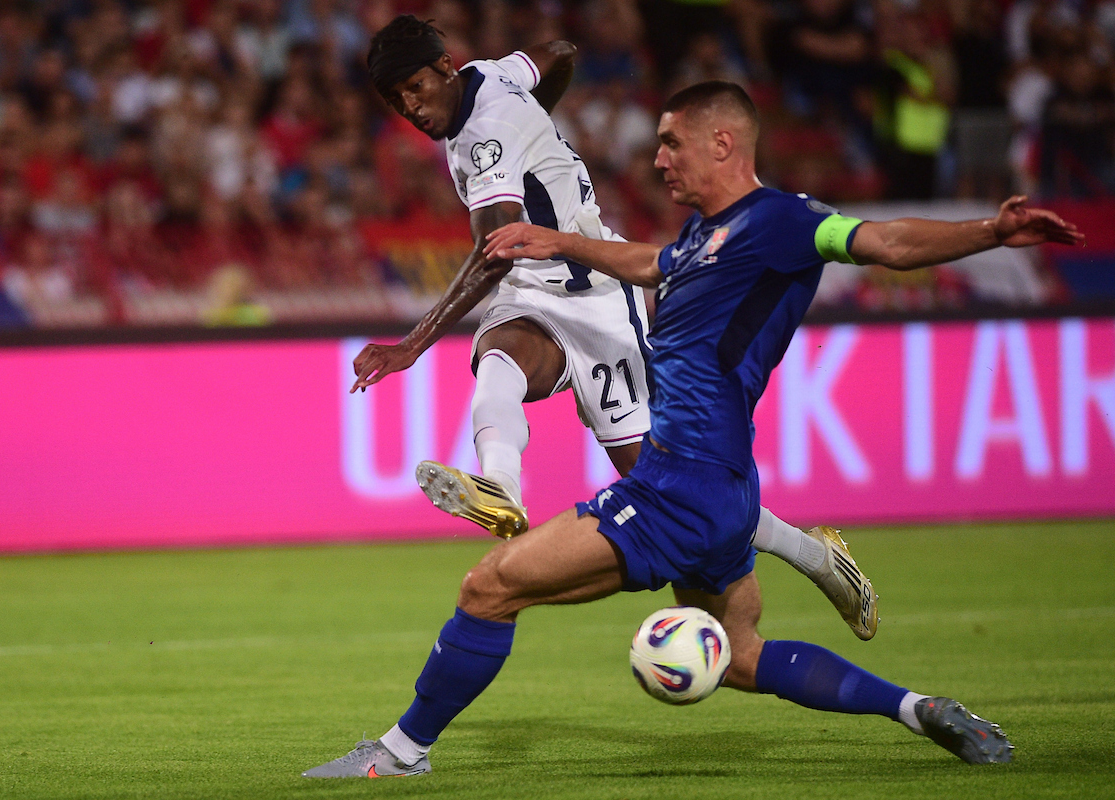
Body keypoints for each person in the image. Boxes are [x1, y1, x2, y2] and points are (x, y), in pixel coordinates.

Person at [304, 80, 1084, 778]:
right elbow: (652, 264)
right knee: (739, 656)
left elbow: (885, 242)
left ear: (723, 142)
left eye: (672, 143)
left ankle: (399, 754)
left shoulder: (782, 221)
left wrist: (990, 230)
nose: (659, 161)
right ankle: (918, 708)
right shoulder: (705, 236)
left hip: (677, 490)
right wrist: (561, 241)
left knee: (489, 586)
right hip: (725, 493)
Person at [350, 15, 878, 642]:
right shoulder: (493, 77)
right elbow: (558, 51)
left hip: (596, 298)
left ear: (445, 67)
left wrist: (411, 345)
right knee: (497, 360)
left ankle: (813, 554)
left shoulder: (490, 130)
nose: (411, 108)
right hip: (531, 290)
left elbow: (493, 254)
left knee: (668, 491)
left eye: (415, 87)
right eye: (396, 100)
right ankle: (501, 488)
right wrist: (537, 119)